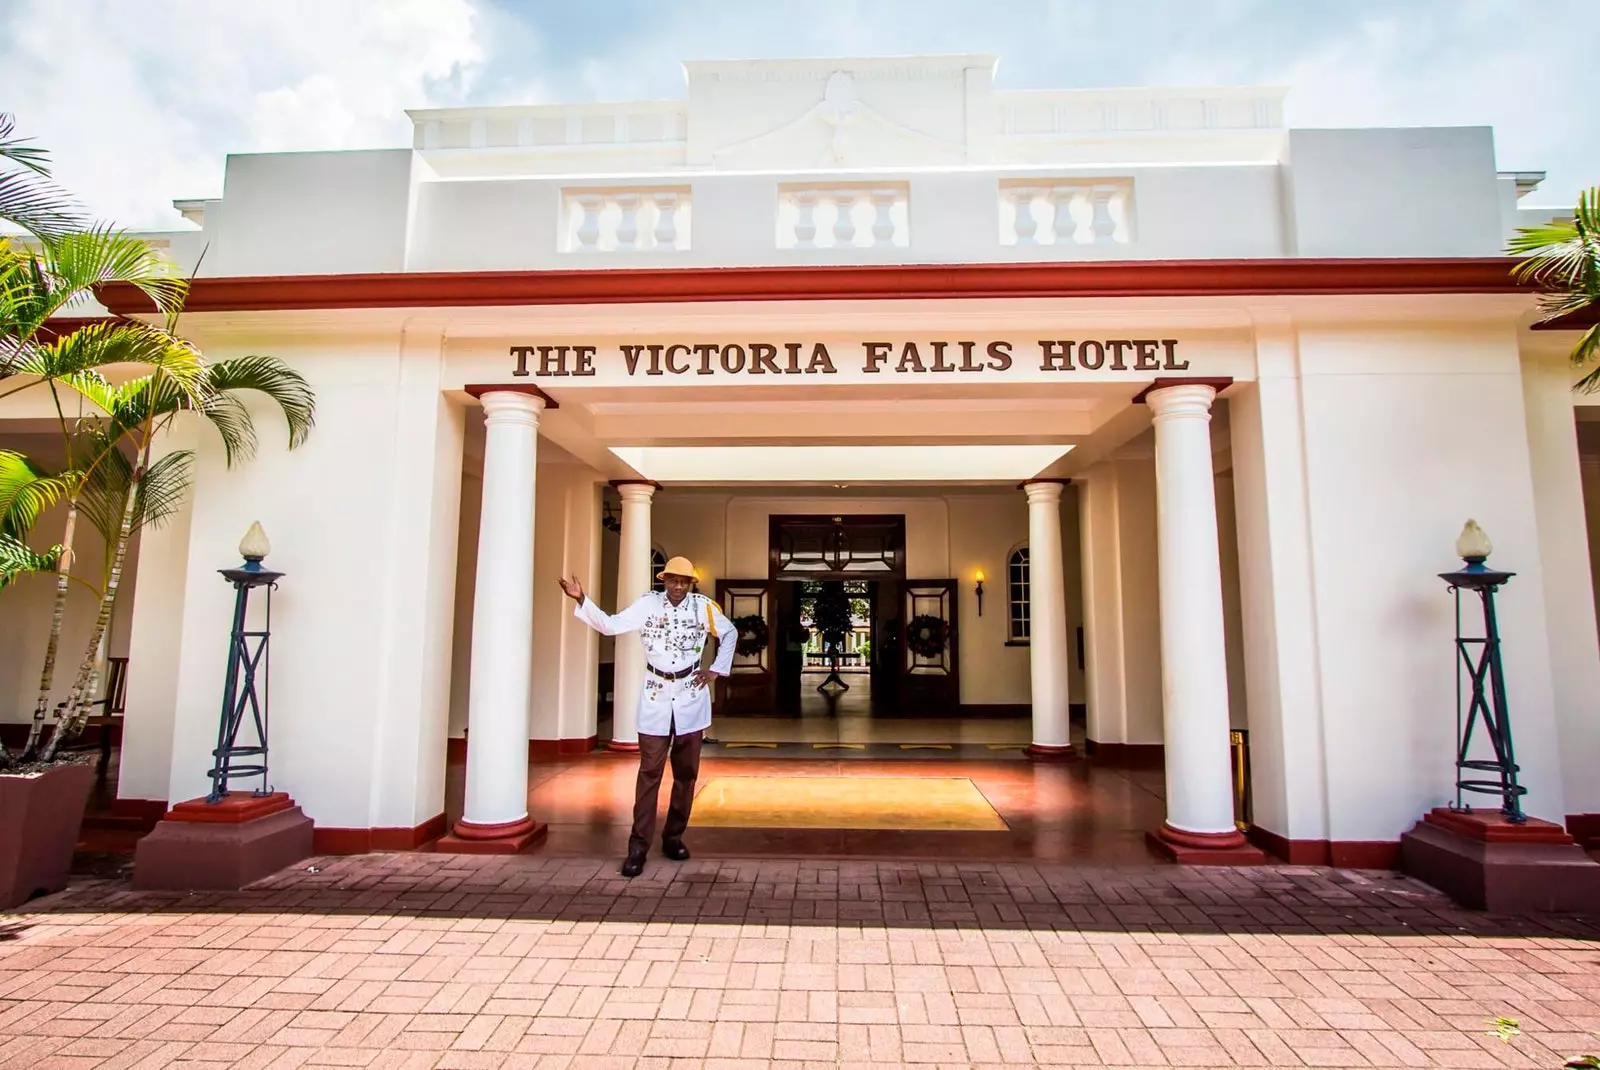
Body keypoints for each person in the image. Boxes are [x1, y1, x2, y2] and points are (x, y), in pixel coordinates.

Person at [559, 556, 735, 877]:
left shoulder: (703, 607)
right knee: (649, 772)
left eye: (684, 581)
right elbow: (611, 625)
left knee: (686, 775)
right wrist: (582, 599)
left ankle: (673, 838)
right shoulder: (647, 605)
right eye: (673, 580)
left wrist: (715, 670)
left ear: (691, 583)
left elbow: (730, 633)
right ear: (663, 580)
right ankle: (638, 847)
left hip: (690, 695)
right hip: (656, 693)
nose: (678, 586)